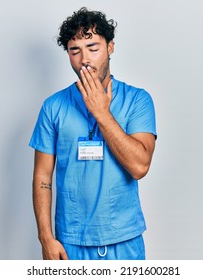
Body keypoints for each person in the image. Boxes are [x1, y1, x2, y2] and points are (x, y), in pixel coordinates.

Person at [29, 7, 157, 260]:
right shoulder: (53, 106)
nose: (84, 59)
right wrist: (46, 238)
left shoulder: (137, 100)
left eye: (93, 48)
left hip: (124, 240)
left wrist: (102, 113)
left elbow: (140, 167)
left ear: (110, 47)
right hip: (70, 242)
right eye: (75, 50)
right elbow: (42, 176)